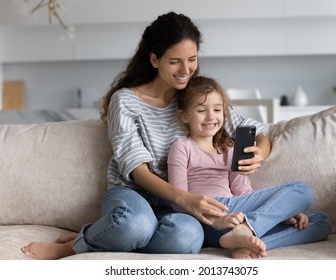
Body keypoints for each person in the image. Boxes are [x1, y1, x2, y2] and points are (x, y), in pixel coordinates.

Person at [20, 11, 270, 260]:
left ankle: (105, 234)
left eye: (192, 59)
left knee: (187, 237)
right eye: (175, 61)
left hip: (175, 204)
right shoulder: (126, 101)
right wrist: (186, 199)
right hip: (135, 193)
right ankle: (76, 245)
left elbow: (259, 133)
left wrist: (259, 152)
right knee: (137, 224)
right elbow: (138, 171)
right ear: (154, 59)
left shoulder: (193, 98)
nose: (186, 70)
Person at [167, 76, 332, 258]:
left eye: (217, 109)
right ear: (184, 116)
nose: (211, 116)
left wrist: (282, 212)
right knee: (301, 190)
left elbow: (243, 192)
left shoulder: (229, 149)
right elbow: (179, 200)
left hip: (235, 219)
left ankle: (246, 239)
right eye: (201, 110)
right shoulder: (182, 146)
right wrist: (217, 219)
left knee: (321, 221)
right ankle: (248, 230)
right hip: (208, 215)